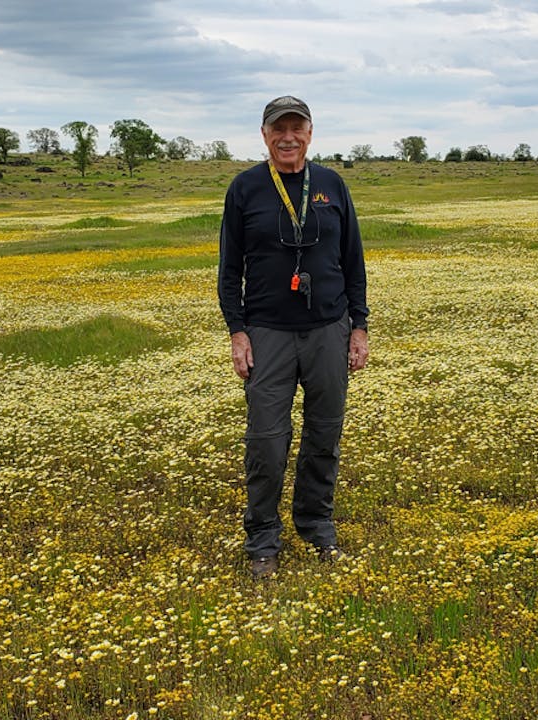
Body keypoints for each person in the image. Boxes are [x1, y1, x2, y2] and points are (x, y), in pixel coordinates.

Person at [217, 95, 370, 580]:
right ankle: (263, 538)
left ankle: (316, 526)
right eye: (278, 128)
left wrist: (359, 326)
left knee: (324, 434)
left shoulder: (331, 184)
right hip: (268, 333)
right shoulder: (244, 188)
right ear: (264, 135)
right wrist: (238, 332)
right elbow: (229, 269)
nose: (288, 136)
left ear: (310, 132)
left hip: (329, 328)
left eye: (296, 127)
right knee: (267, 440)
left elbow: (353, 262)